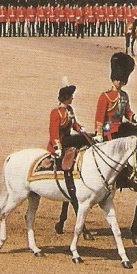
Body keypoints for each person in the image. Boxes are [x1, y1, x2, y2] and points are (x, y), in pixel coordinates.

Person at [48, 83, 90, 213]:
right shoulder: (56, 112)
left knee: (87, 137)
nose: (72, 98)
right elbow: (53, 131)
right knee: (83, 139)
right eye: (71, 96)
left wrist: (80, 128)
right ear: (66, 98)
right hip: (61, 142)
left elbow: (74, 124)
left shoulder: (69, 110)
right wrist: (57, 146)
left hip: (68, 138)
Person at [94, 52, 137, 142]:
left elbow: (127, 112)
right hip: (108, 131)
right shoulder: (105, 96)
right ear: (113, 78)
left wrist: (133, 117)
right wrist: (99, 133)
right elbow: (99, 117)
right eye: (117, 79)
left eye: (122, 80)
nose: (119, 82)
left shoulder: (124, 95)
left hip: (120, 129)